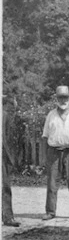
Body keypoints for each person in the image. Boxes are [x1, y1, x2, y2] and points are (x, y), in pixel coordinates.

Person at [41, 86, 69, 220]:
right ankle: (50, 212)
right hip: (55, 152)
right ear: (56, 99)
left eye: (65, 97)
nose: (63, 100)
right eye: (60, 97)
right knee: (52, 183)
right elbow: (45, 136)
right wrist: (44, 156)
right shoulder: (51, 115)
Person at [3, 96, 19, 226]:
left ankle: (7, 217)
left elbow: (9, 138)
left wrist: (10, 158)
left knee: (5, 185)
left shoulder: (4, 116)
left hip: (2, 156)